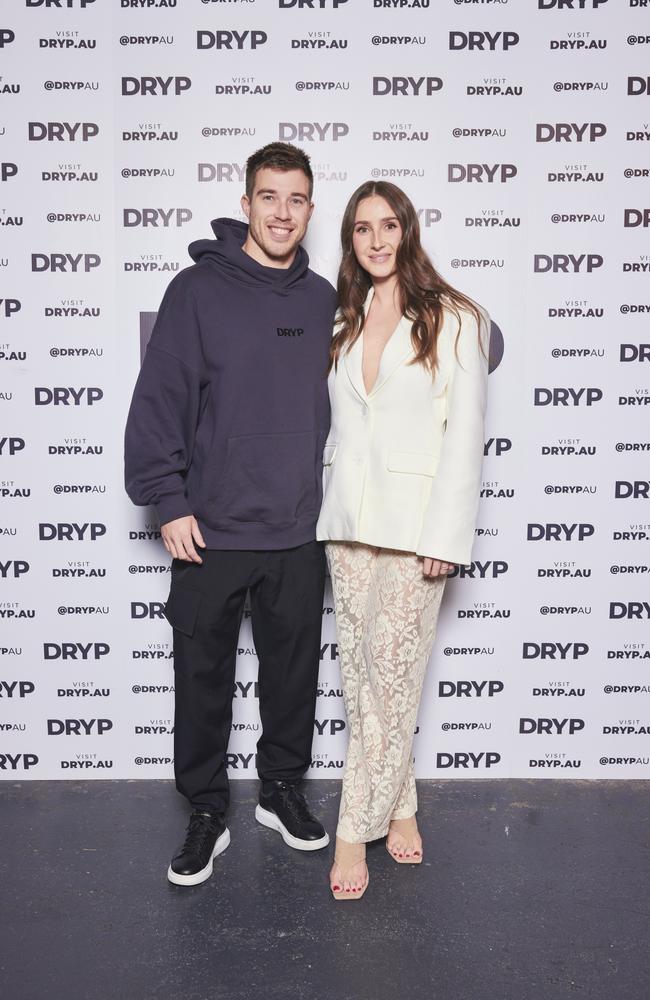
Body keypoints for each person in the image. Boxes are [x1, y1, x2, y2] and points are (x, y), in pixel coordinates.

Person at [124, 142, 337, 886]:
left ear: (311, 209)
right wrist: (169, 498)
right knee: (203, 675)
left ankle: (281, 792)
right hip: (211, 528)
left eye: (297, 199)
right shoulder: (197, 292)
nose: (283, 212)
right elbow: (159, 400)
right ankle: (207, 808)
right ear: (245, 203)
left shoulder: (323, 300)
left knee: (292, 677)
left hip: (298, 529)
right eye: (269, 196)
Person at [316, 181, 490, 900]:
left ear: (408, 231)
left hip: (418, 528)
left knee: (389, 680)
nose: (377, 240)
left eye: (389, 225)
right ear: (351, 240)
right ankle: (404, 805)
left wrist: (445, 534)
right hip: (348, 526)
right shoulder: (341, 315)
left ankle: (353, 829)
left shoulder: (453, 317)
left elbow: (465, 436)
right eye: (362, 229)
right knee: (364, 684)